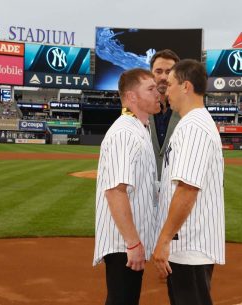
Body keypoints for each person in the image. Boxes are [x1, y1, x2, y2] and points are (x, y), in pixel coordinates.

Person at [152, 59, 225, 305]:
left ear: (186, 86)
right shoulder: (193, 123)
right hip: (188, 243)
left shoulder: (193, 127)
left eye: (170, 84)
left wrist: (163, 241)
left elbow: (187, 189)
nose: (165, 90)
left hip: (189, 244)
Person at [93, 68, 161, 305]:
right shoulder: (124, 133)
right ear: (132, 97)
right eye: (150, 89)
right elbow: (115, 191)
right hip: (124, 242)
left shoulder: (139, 129)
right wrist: (132, 242)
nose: (158, 93)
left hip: (130, 238)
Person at [149, 49, 180, 180]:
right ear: (151, 74)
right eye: (158, 71)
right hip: (146, 190)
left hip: (174, 189)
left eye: (169, 72)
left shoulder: (186, 111)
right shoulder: (140, 110)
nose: (163, 77)